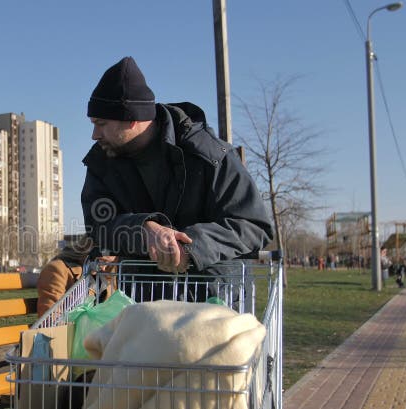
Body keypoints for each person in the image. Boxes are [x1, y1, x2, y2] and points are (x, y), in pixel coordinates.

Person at [80, 56, 273, 299]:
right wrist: (143, 228)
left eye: (101, 123)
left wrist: (192, 248)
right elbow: (98, 225)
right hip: (145, 308)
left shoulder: (209, 153)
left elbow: (253, 226)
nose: (94, 134)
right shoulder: (102, 162)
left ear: (131, 119)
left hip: (212, 307)